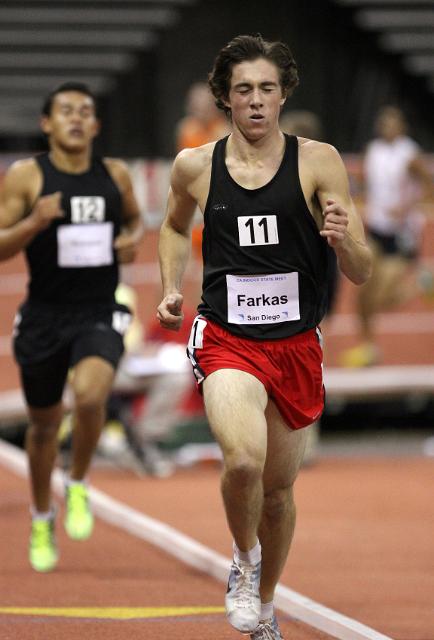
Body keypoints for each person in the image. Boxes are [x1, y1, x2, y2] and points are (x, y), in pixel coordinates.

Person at [157, 34, 372, 639]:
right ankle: (244, 566)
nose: (256, 101)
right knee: (244, 459)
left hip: (296, 342)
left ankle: (268, 603)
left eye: (267, 90)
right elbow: (173, 228)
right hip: (226, 336)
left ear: (284, 96)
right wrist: (171, 285)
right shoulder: (195, 165)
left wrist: (343, 238)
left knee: (277, 493)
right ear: (225, 97)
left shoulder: (319, 161)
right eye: (244, 90)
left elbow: (362, 269)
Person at [0, 81, 144, 572]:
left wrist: (129, 240)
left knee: (88, 397)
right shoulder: (26, 177)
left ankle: (78, 482)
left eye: (85, 111)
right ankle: (42, 516)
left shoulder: (114, 174)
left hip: (98, 310)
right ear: (47, 124)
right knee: (42, 425)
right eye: (66, 111)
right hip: (43, 316)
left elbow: (136, 222)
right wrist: (32, 224)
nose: (77, 118)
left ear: (96, 125)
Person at [340, 105, 434, 367]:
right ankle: (369, 347)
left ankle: (422, 284)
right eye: (383, 122)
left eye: (393, 123)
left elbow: (429, 185)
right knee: (363, 295)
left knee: (384, 297)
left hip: (402, 235)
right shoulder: (373, 151)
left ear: (402, 126)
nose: (387, 127)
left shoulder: (409, 153)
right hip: (378, 230)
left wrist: (406, 207)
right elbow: (369, 186)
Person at [176, 81, 231, 152]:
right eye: (196, 107)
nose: (201, 112)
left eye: (205, 106)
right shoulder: (186, 129)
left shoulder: (224, 132)